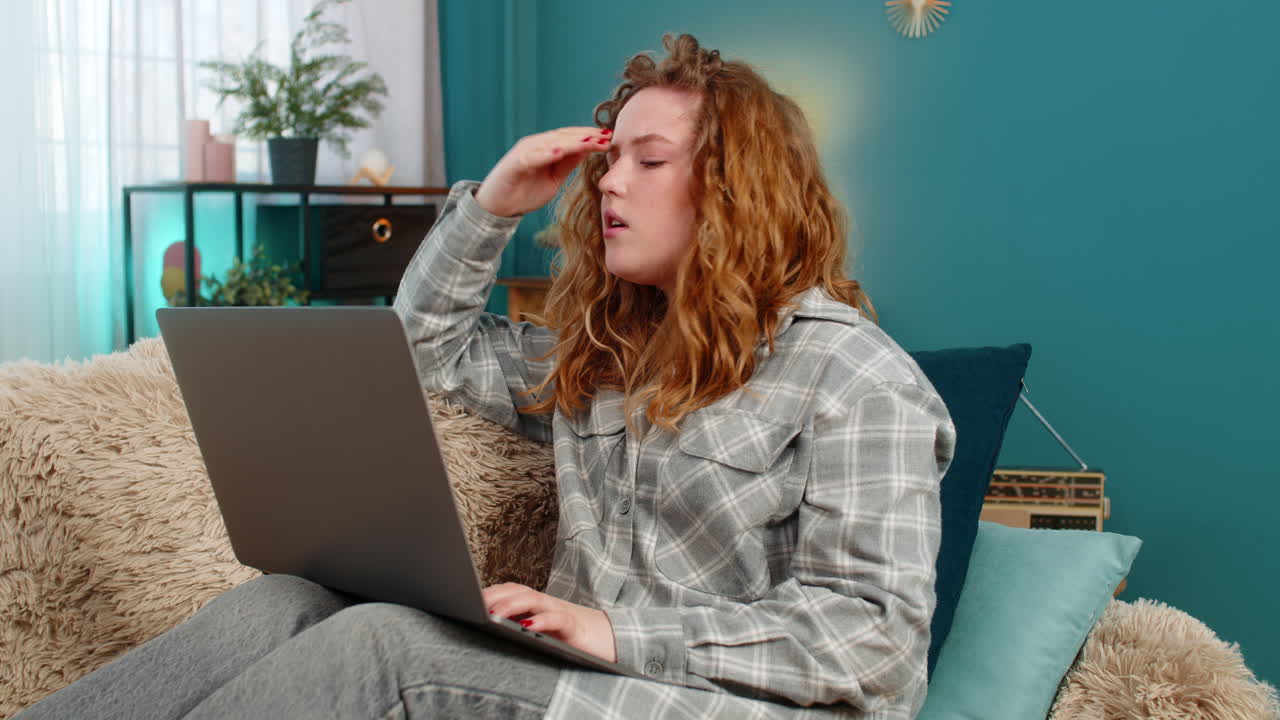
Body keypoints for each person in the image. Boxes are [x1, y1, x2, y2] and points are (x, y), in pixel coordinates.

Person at [16, 33, 954, 720]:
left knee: (382, 648)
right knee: (284, 600)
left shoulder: (855, 375)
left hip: (719, 704)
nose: (610, 182)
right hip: (593, 684)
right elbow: (421, 354)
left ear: (739, 191)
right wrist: (494, 205)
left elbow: (872, 643)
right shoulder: (611, 352)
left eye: (649, 159)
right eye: (608, 157)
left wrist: (618, 634)